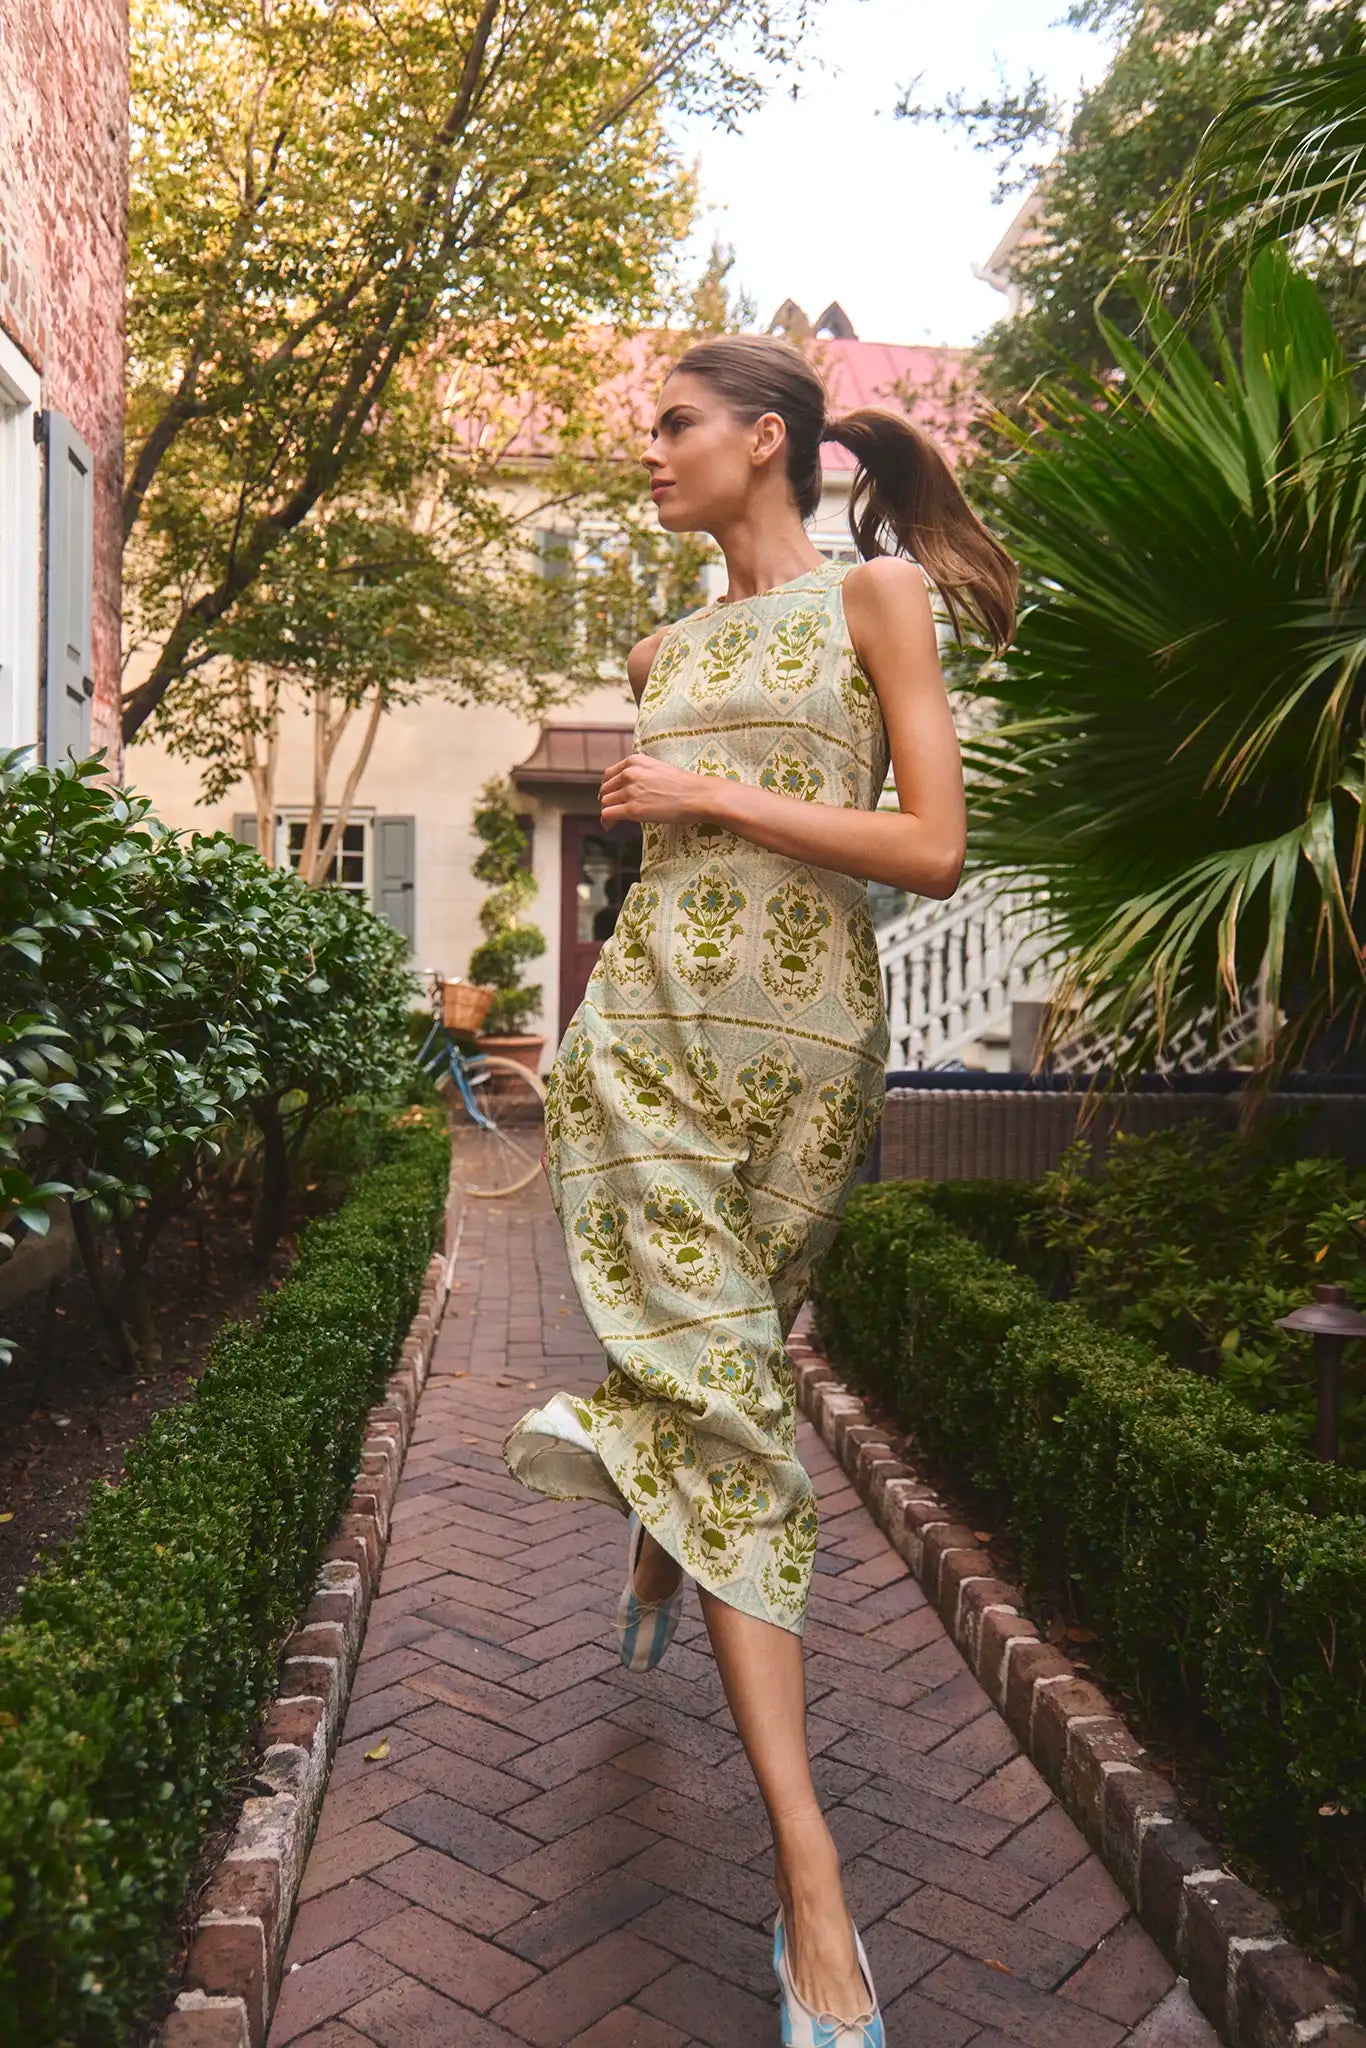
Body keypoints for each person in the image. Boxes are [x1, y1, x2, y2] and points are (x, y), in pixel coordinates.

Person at [504, 333, 1017, 2044]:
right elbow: (671, 881)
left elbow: (931, 850)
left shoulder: (874, 604)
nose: (645, 454)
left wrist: (707, 786)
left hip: (802, 1068)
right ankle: (812, 1898)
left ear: (768, 439)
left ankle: (662, 1556)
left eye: (672, 426)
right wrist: (678, 804)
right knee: (737, 1416)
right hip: (642, 1051)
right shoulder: (665, 647)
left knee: (733, 1375)